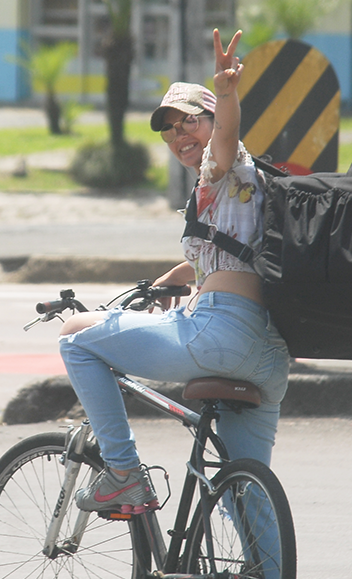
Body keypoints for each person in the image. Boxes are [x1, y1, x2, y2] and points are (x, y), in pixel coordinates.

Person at [59, 28, 292, 515]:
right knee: (246, 499)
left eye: (188, 123)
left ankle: (123, 474)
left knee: (76, 336)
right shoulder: (248, 186)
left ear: (210, 121)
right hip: (268, 353)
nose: (178, 136)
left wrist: (226, 96)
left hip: (221, 333)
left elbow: (225, 137)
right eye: (168, 130)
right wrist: (170, 281)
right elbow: (219, 255)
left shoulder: (221, 165)